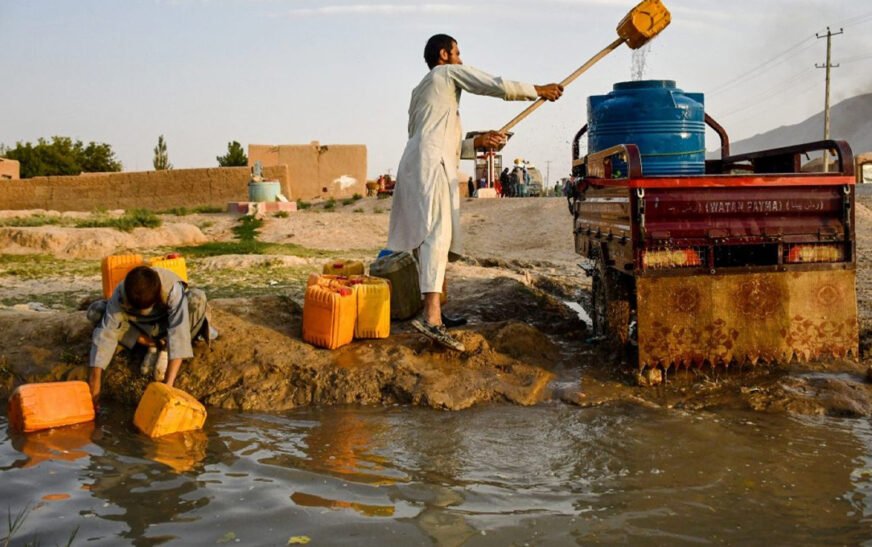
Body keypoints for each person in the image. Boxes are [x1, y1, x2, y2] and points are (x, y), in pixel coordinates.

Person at [387, 33, 563, 351]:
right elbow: (490, 84)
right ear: (444, 55)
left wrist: (478, 143)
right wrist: (537, 91)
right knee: (434, 235)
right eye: (458, 54)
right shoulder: (444, 73)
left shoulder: (423, 91)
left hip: (417, 163)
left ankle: (436, 309)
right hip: (431, 164)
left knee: (429, 235)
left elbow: (435, 136)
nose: (461, 60)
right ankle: (431, 318)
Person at [87, 265, 213, 403]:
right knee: (96, 311)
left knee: (197, 298)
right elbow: (106, 333)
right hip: (141, 329)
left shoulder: (171, 289)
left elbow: (179, 331)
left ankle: (164, 346)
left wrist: (167, 387)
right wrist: (95, 381)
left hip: (166, 325)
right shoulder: (121, 293)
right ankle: (150, 344)